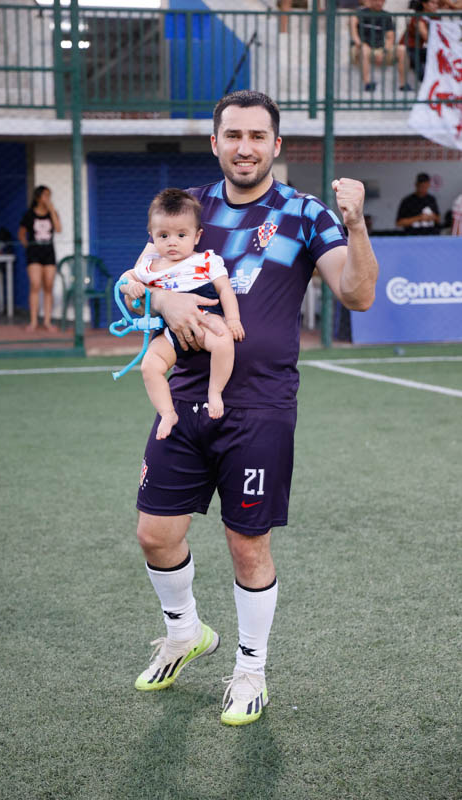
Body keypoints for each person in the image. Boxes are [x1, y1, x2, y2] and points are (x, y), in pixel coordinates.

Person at [124, 90, 378, 727]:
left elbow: (360, 295)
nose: (244, 147)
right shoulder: (190, 210)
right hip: (184, 398)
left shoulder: (305, 214)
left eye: (257, 136)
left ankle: (249, 670)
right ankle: (185, 633)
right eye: (232, 135)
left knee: (248, 545)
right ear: (215, 143)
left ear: (276, 145)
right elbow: (132, 285)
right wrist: (165, 305)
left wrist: (356, 225)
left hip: (261, 406)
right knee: (155, 533)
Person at [121, 188, 245, 440]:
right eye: (163, 235)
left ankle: (215, 391)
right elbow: (124, 282)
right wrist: (131, 285)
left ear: (197, 236)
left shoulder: (206, 261)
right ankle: (167, 412)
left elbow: (225, 290)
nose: (172, 242)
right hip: (169, 328)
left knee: (223, 341)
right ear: (152, 237)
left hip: (205, 318)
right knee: (150, 366)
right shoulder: (149, 266)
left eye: (181, 235)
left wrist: (232, 320)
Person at [18, 185, 61, 332]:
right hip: (34, 253)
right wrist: (28, 248)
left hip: (49, 252)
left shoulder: (52, 213)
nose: (47, 199)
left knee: (48, 285)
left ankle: (48, 321)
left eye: (49, 195)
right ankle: (33, 321)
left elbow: (58, 229)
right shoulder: (29, 215)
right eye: (45, 196)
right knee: (35, 285)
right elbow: (21, 234)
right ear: (37, 198)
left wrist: (52, 210)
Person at [350, 0, 410, 92]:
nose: (379, 3)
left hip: (380, 48)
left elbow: (390, 37)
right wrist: (361, 44)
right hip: (361, 48)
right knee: (364, 49)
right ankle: (368, 84)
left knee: (402, 49)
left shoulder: (386, 16)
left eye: (382, 1)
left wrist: (384, 51)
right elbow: (354, 34)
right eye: (377, 1)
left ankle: (403, 84)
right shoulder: (359, 13)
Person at [399, 0, 440, 82]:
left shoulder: (436, 17)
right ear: (424, 4)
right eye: (433, 3)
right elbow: (426, 36)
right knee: (421, 72)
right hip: (409, 47)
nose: (436, 5)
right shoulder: (418, 16)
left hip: (421, 48)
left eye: (437, 3)